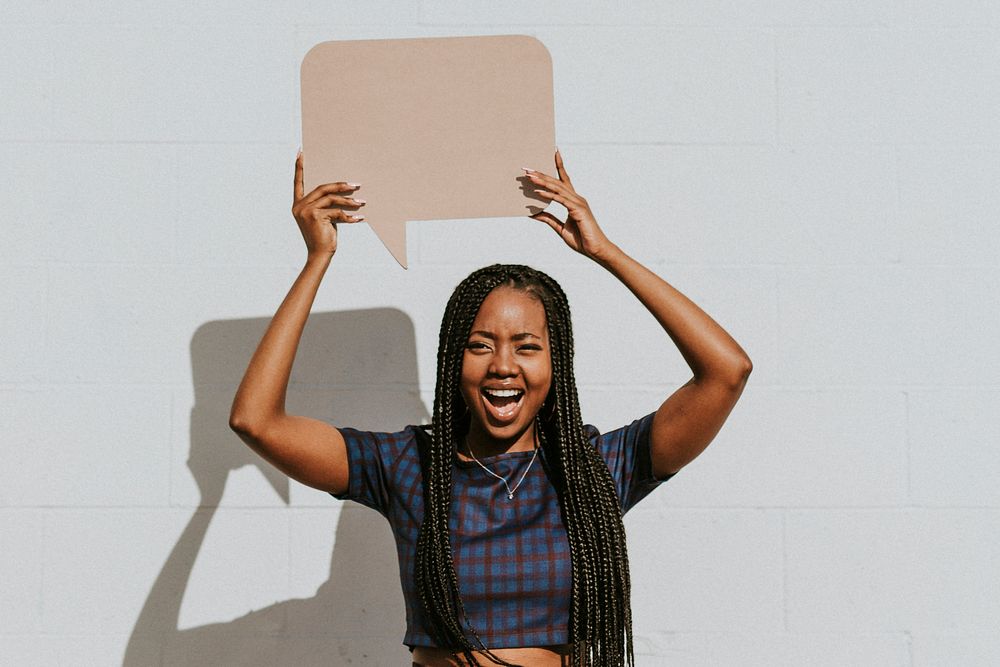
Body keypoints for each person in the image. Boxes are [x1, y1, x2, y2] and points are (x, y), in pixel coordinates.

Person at [229, 149, 752, 667]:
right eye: (479, 345)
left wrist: (606, 252)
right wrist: (317, 258)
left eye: (526, 346)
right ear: (453, 361)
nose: (503, 365)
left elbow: (727, 371)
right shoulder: (409, 466)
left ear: (556, 363)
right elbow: (256, 421)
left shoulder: (596, 467)